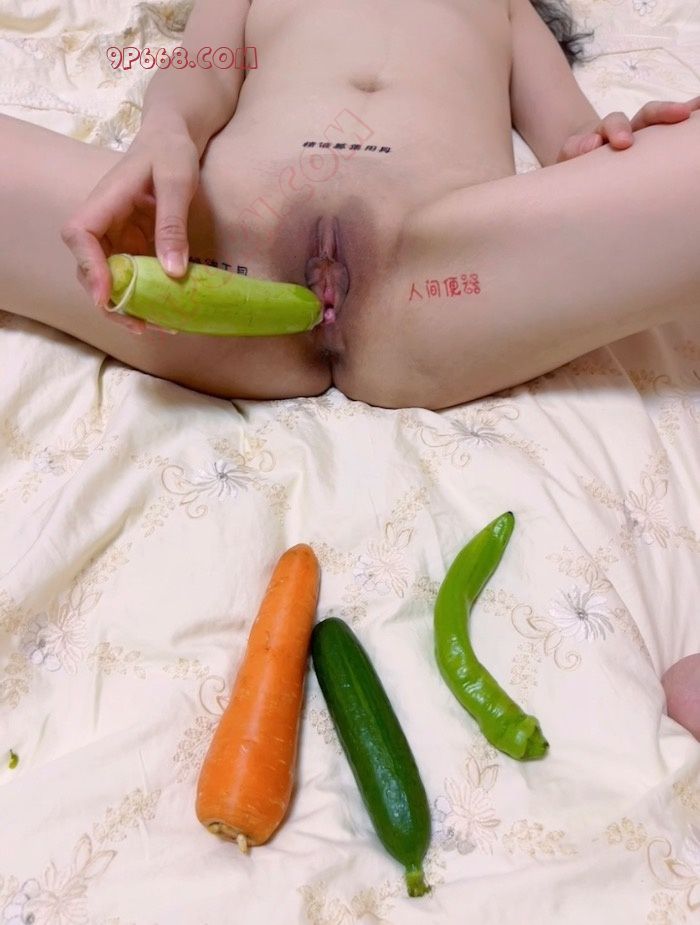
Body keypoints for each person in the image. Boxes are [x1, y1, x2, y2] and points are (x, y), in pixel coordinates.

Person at [1, 0, 699, 412]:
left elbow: (570, 134)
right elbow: (200, 71)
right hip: (201, 262)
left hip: (444, 277)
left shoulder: (505, 3)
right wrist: (163, 133)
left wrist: (609, 147)